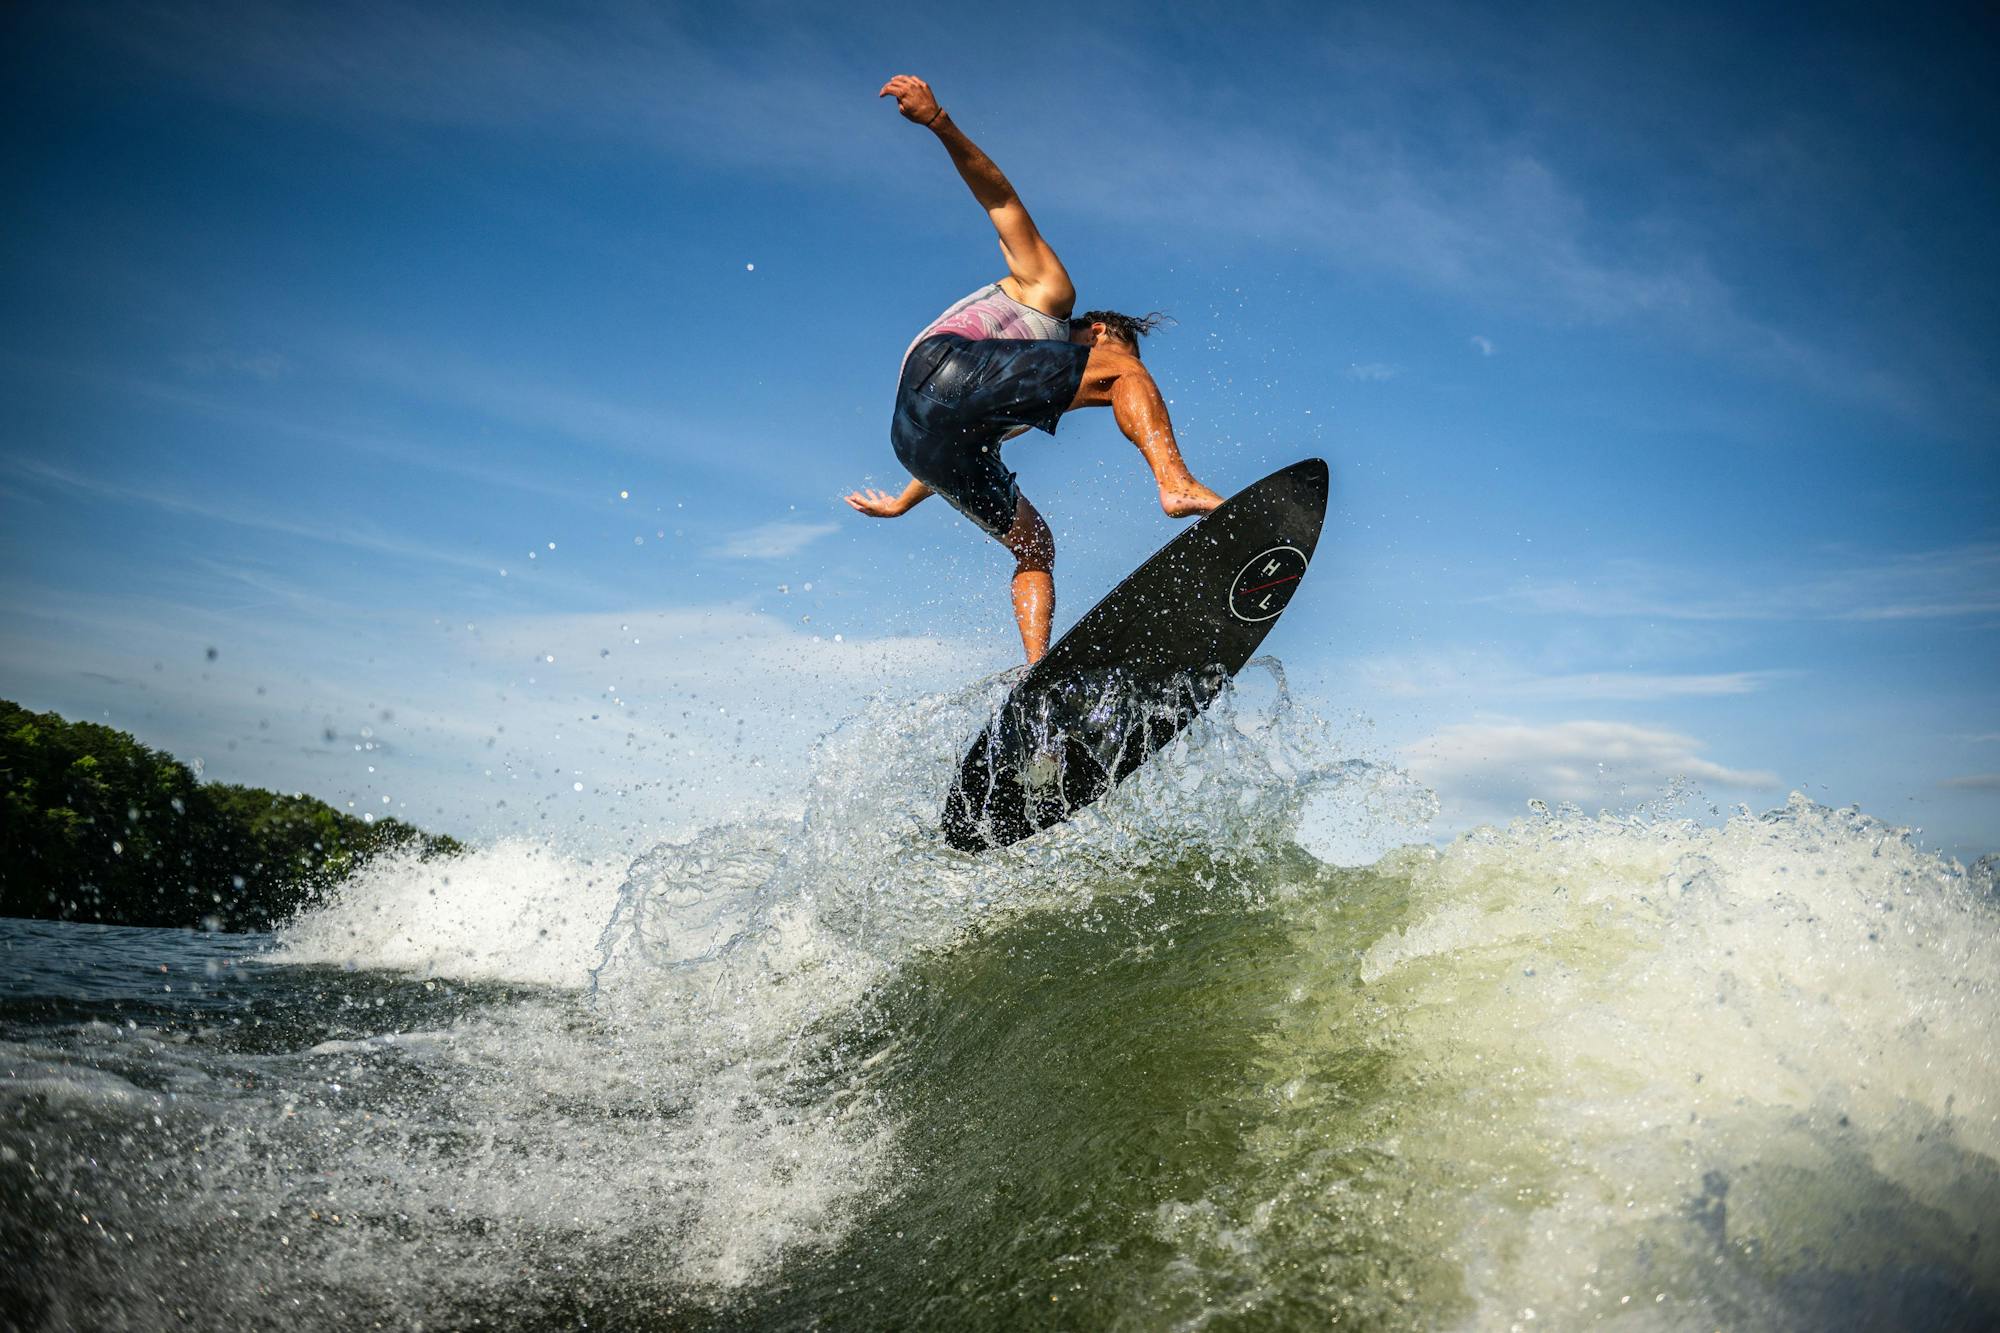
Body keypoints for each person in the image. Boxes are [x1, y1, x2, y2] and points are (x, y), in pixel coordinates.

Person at [845, 74, 1225, 666]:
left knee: (1034, 547)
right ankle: (1175, 484)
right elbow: (1000, 200)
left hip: (915, 439)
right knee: (1126, 376)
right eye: (1114, 348)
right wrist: (939, 121)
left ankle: (1035, 673)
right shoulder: (1049, 289)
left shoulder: (1026, 391)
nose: (1106, 370)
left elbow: (949, 431)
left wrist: (900, 503)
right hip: (945, 363)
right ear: (1099, 332)